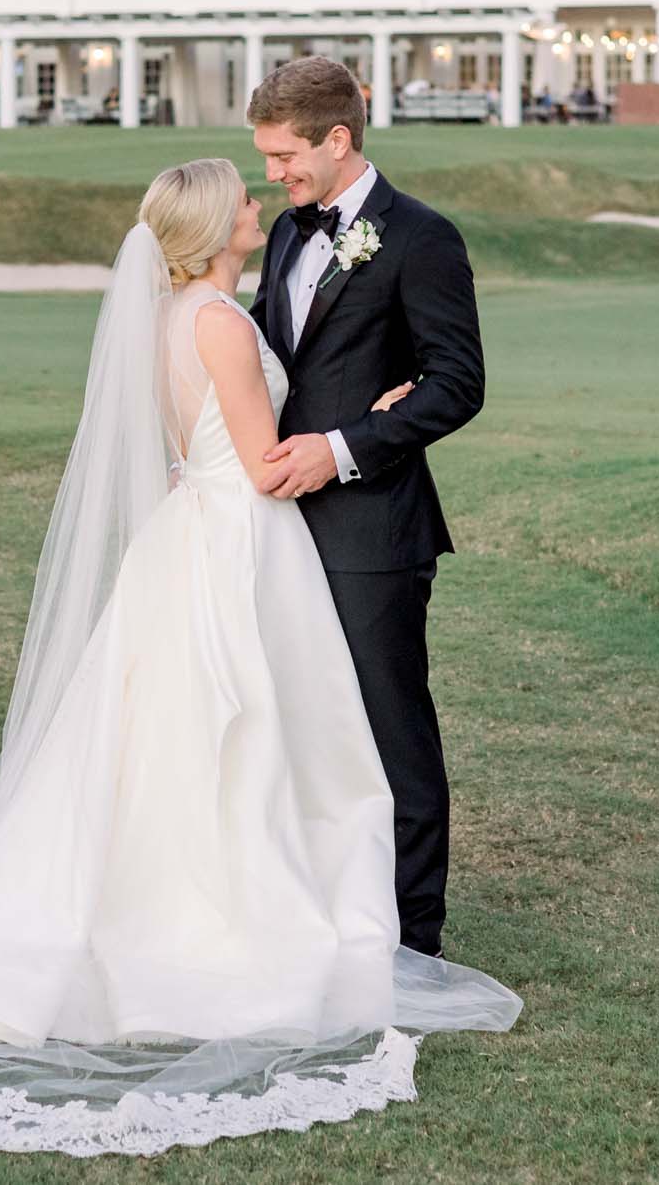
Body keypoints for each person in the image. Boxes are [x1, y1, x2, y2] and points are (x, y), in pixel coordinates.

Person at [0, 149, 519, 1157]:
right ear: (214, 230)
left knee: (180, 735)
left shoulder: (182, 317)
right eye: (243, 196)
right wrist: (369, 421)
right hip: (237, 537)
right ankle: (225, 920)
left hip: (190, 532)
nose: (260, 199)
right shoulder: (216, 322)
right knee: (242, 727)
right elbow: (262, 464)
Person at [247, 57, 485, 968]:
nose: (274, 174)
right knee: (299, 721)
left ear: (336, 140)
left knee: (391, 727)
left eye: (284, 155)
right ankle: (323, 904)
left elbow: (458, 384)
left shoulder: (422, 237)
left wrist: (342, 448)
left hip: (371, 526)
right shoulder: (283, 233)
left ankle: (413, 938)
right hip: (274, 524)